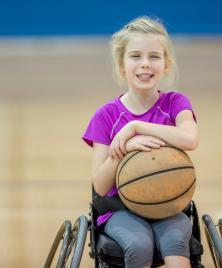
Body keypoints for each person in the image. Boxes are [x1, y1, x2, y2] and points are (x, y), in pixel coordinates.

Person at [82, 17, 199, 268]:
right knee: (139, 244)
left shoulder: (175, 104)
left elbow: (190, 138)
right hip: (120, 209)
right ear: (121, 65)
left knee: (177, 241)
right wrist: (123, 152)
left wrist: (135, 127)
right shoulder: (105, 115)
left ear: (167, 65)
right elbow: (100, 187)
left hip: (167, 204)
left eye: (154, 57)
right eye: (135, 56)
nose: (145, 64)